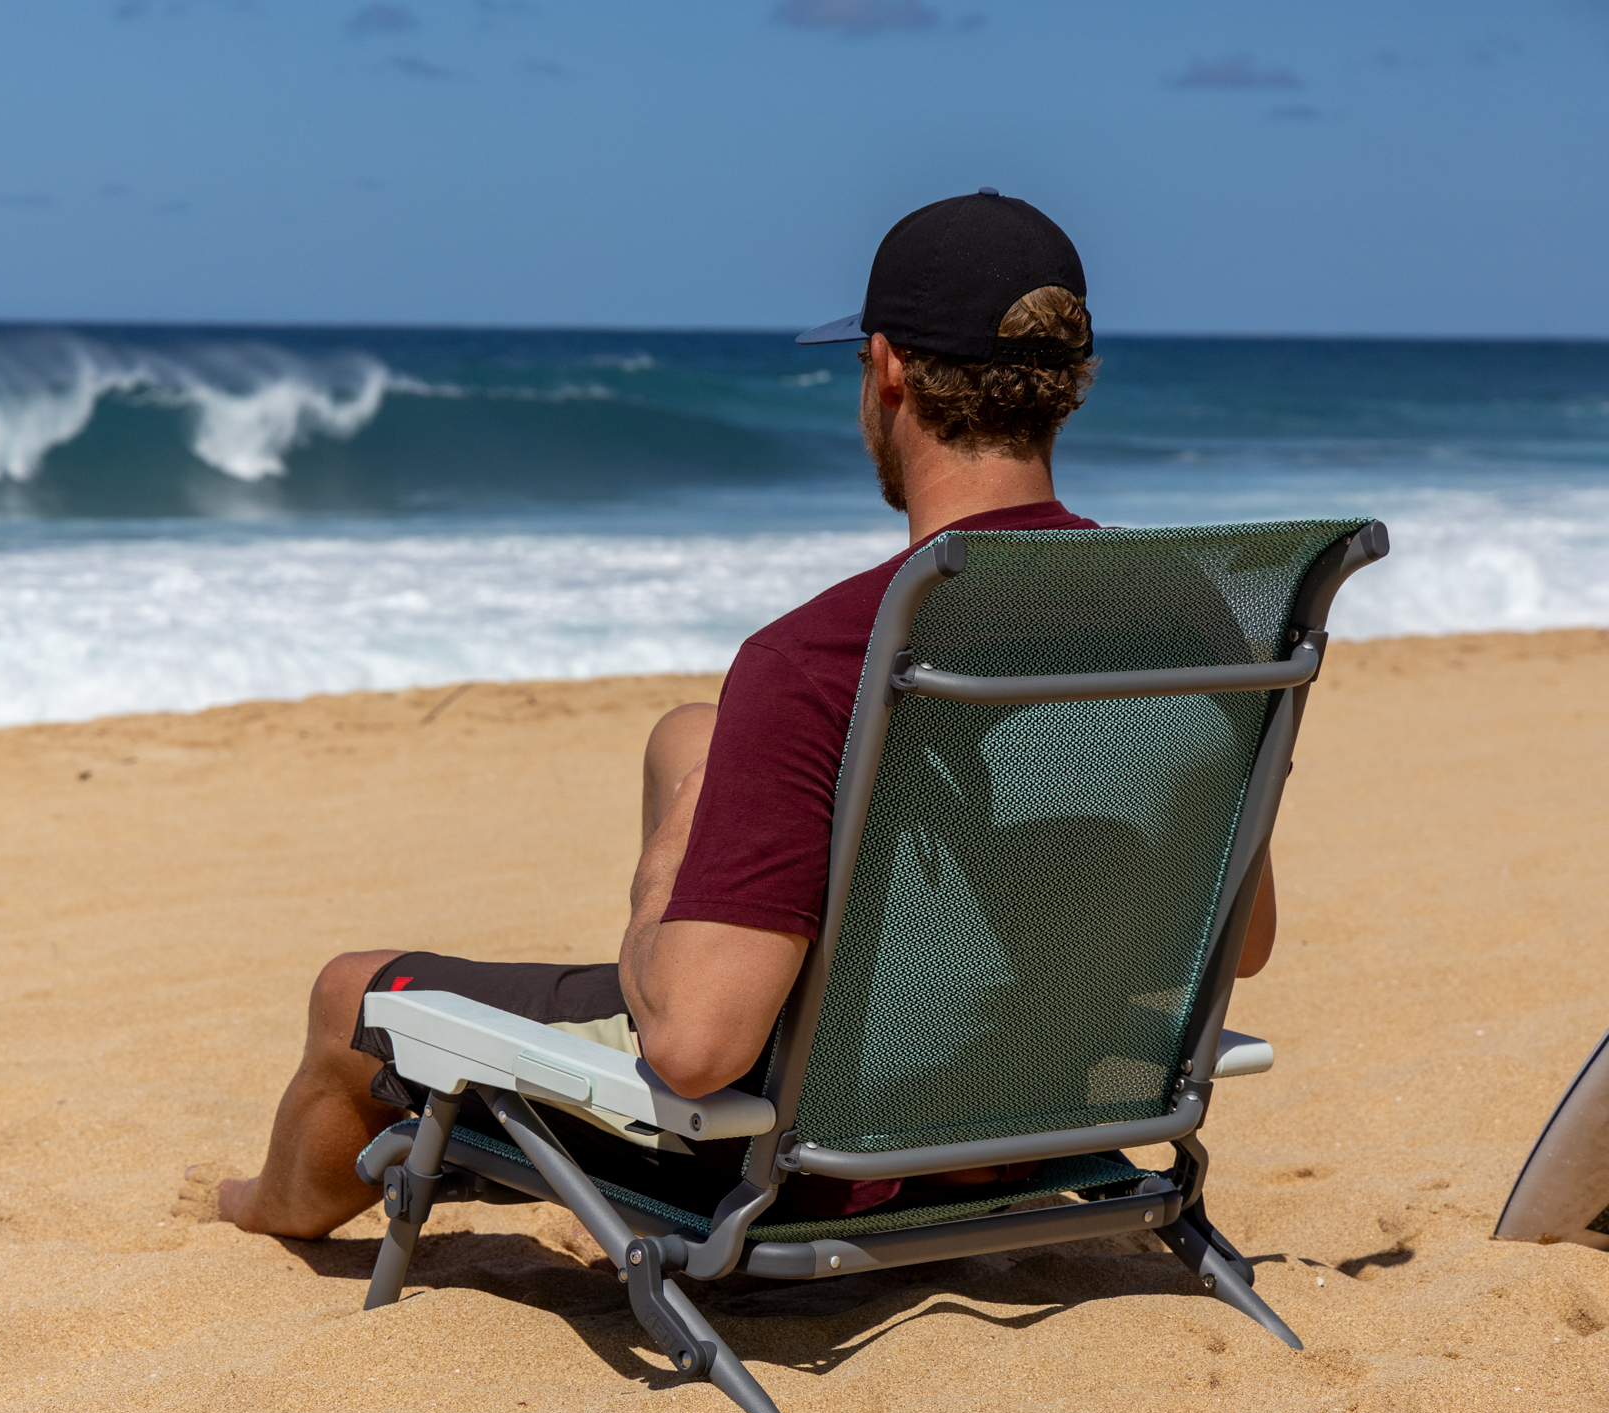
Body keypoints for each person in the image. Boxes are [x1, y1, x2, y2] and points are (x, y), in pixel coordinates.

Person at [210, 190, 1279, 1239]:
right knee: (690, 731)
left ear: (888, 369)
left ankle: (261, 1212)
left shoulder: (823, 657)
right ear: (1068, 383)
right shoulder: (1191, 612)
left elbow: (697, 1053)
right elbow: (1248, 937)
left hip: (814, 1158)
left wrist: (660, 884)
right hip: (1029, 1108)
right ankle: (685, 959)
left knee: (350, 994)